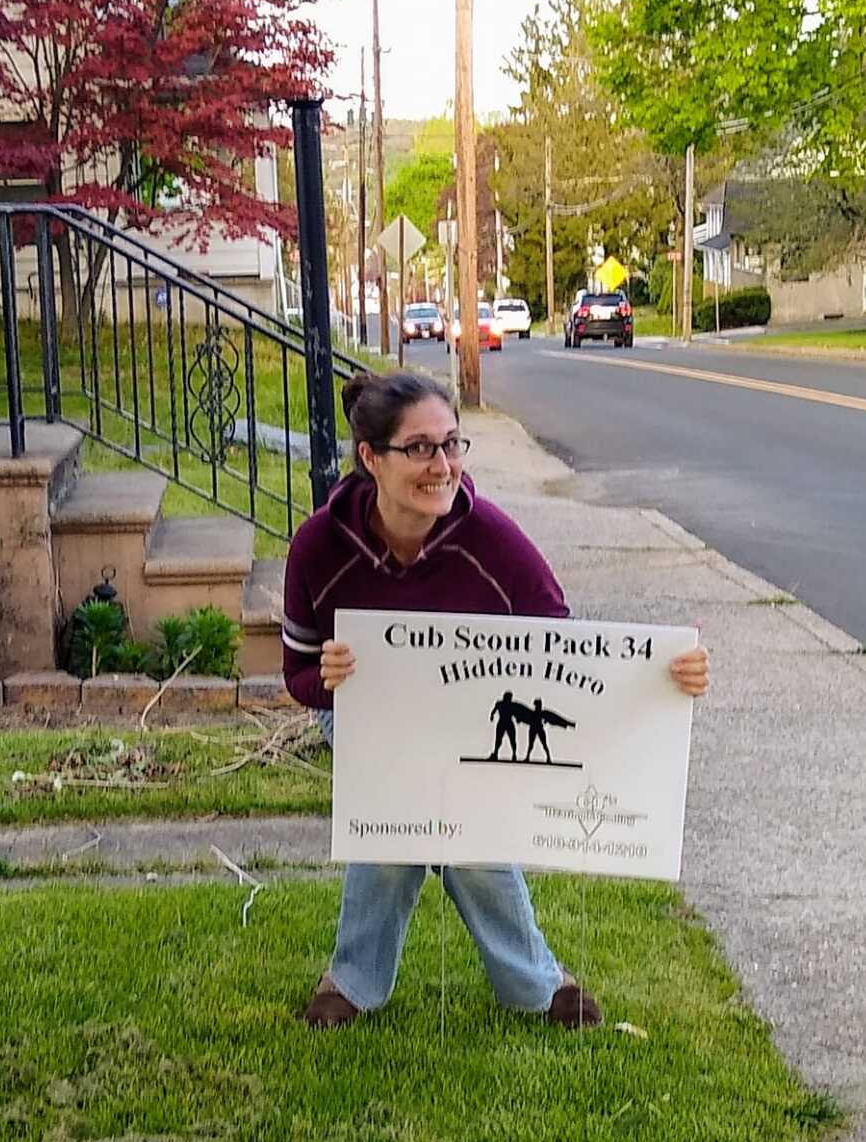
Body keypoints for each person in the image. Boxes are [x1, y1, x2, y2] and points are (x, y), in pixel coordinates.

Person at [281, 370, 710, 1030]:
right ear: (370, 457)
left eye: (453, 444)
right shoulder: (319, 545)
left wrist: (659, 677)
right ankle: (531, 985)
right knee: (406, 814)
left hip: (466, 722)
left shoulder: (489, 537)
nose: (442, 465)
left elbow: (562, 647)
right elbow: (298, 674)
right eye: (420, 448)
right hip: (366, 718)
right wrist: (329, 677)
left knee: (455, 835)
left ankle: (360, 982)